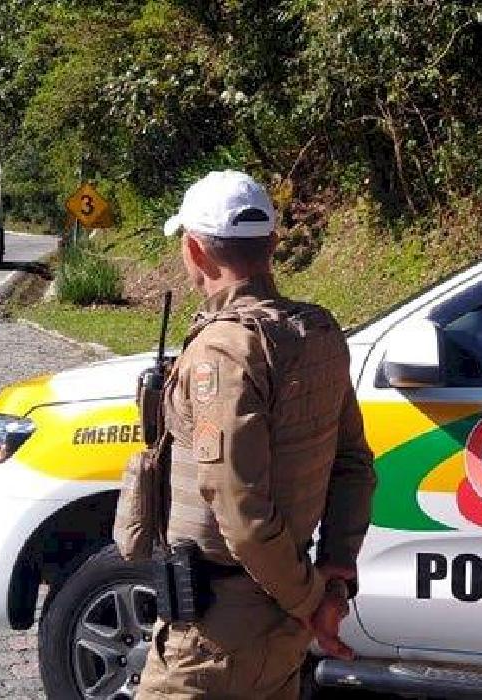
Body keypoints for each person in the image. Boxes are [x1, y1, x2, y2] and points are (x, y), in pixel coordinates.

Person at [137, 171, 377, 699]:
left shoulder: (223, 352)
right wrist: (332, 579)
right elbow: (353, 465)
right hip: (279, 626)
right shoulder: (317, 333)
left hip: (214, 639)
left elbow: (241, 516)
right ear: (272, 244)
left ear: (196, 252)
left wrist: (313, 599)